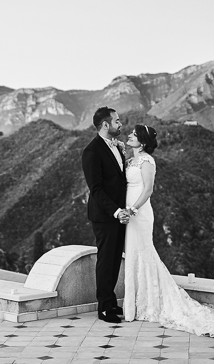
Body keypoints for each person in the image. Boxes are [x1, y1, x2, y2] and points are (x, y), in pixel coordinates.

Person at [122, 123, 214, 336]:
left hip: (139, 213)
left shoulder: (147, 161)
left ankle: (148, 304)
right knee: (134, 255)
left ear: (143, 141)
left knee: (144, 254)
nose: (129, 135)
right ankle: (139, 304)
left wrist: (132, 209)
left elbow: (148, 189)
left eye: (134, 134)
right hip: (129, 214)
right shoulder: (132, 160)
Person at [81, 106, 129, 323]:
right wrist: (116, 211)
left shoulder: (117, 147)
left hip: (119, 214)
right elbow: (96, 189)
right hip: (104, 215)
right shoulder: (91, 152)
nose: (121, 124)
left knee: (115, 259)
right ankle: (103, 308)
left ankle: (111, 302)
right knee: (106, 260)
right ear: (106, 125)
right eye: (117, 121)